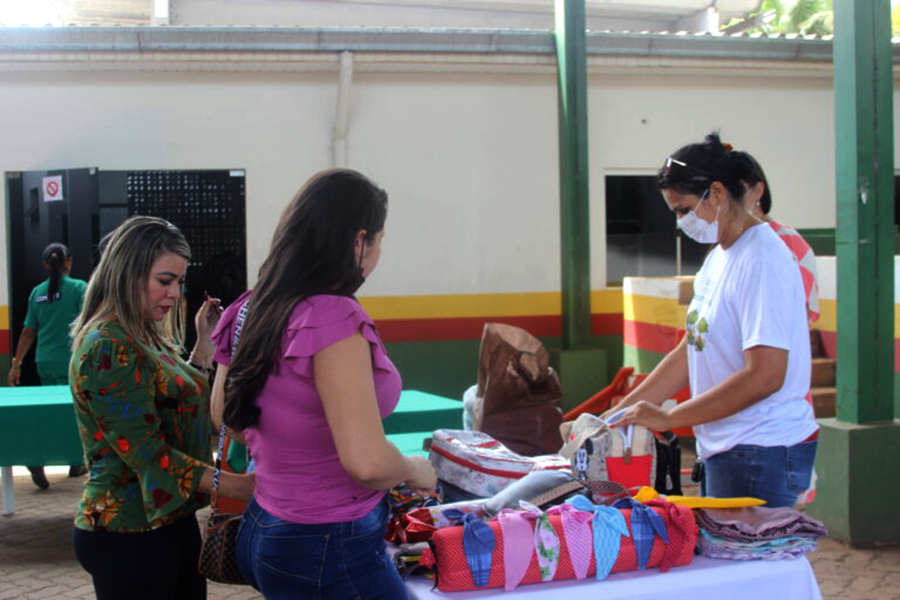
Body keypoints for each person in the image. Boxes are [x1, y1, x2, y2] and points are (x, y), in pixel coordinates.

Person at [211, 169, 437, 600]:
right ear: (358, 241)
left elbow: (225, 416)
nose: (378, 253)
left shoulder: (251, 306)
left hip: (264, 528)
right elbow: (367, 464)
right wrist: (411, 467)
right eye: (380, 240)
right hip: (327, 544)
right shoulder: (332, 317)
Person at [609, 133, 818, 508]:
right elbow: (693, 346)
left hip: (761, 448)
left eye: (684, 209)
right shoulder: (720, 256)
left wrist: (669, 417)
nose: (682, 222)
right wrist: (616, 416)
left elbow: (765, 376)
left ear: (718, 193)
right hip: (728, 445)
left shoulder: (763, 260)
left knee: (749, 563)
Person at [69, 216, 254, 600]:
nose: (174, 293)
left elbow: (177, 400)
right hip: (127, 530)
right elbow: (149, 454)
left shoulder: (140, 332)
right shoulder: (108, 345)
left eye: (179, 283)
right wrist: (235, 486)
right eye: (164, 281)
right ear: (127, 273)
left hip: (166, 519)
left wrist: (203, 344)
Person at [7, 243, 88, 489]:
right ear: (69, 262)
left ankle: (44, 459)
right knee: (72, 414)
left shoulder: (37, 293)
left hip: (44, 361)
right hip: (71, 361)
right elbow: (87, 324)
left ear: (45, 265)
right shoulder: (79, 288)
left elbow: (28, 332)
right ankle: (71, 459)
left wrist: (16, 364)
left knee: (50, 413)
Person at [735, 151, 820, 323]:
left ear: (757, 191)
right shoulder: (728, 243)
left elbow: (798, 315)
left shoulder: (787, 242)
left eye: (734, 191)